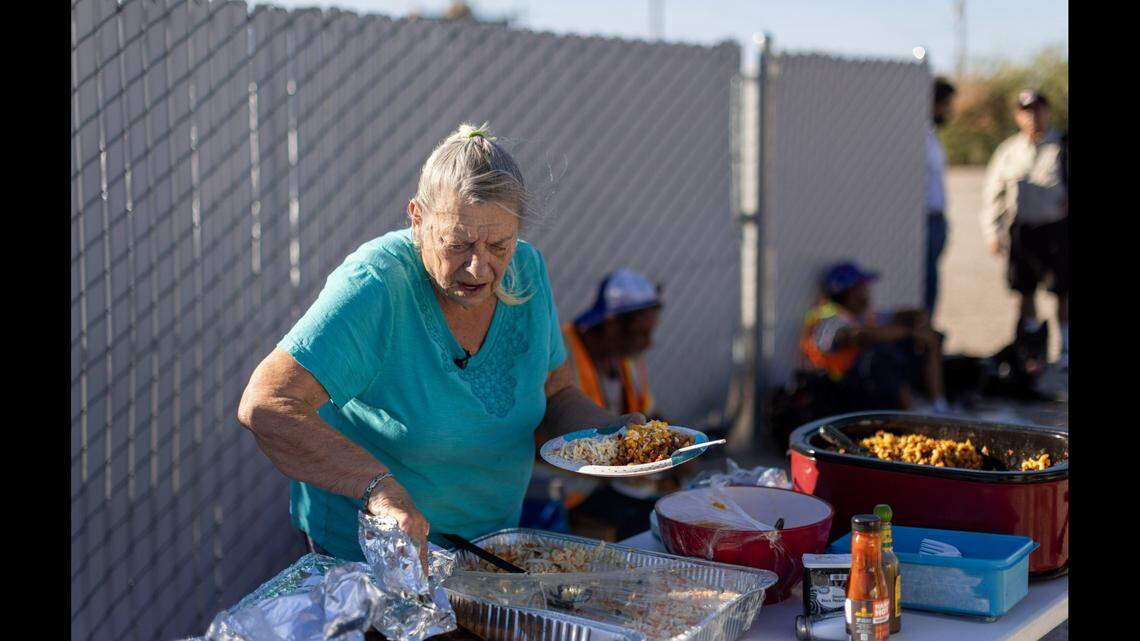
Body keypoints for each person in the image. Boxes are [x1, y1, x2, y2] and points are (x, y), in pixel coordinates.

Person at [237, 123, 642, 565]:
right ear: (417, 218)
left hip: (491, 547)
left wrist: (614, 434)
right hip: (371, 557)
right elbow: (266, 404)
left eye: (498, 244)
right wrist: (379, 489)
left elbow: (557, 394)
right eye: (458, 243)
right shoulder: (376, 284)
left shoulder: (527, 269)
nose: (478, 267)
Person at [980, 89, 1069, 368]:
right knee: (1023, 290)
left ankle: (1065, 347)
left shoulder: (1063, 146)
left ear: (1048, 112)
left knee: (1063, 291)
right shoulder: (1009, 151)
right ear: (1019, 116)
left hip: (1056, 229)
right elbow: (993, 194)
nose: (1034, 116)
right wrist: (992, 232)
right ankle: (1031, 345)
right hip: (1022, 231)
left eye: (1039, 110)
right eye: (1027, 111)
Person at [801, 262, 949, 412]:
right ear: (848, 292)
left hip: (865, 386)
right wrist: (908, 332)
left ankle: (938, 405)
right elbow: (860, 335)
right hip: (840, 389)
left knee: (930, 339)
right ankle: (912, 414)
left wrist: (919, 318)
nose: (867, 293)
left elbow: (897, 316)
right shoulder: (829, 317)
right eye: (861, 288)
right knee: (881, 357)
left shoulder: (859, 314)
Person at [562, 269, 663, 417]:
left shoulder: (626, 355)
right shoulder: (562, 354)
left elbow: (648, 412)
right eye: (640, 333)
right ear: (612, 326)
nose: (648, 344)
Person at [925, 77, 956, 316]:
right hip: (923, 220)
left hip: (936, 219)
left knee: (932, 281)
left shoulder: (932, 136)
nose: (950, 111)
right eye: (947, 104)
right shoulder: (919, 137)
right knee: (925, 282)